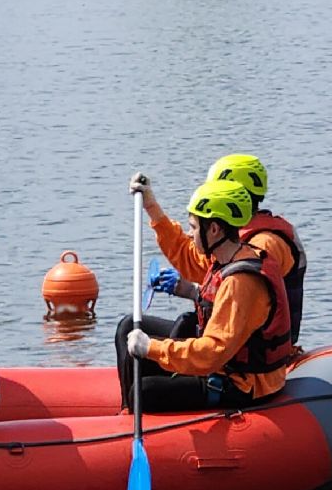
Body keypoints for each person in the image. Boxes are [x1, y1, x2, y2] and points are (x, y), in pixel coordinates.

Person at [116, 179, 300, 414]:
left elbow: (212, 353)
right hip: (225, 364)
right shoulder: (224, 257)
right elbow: (184, 253)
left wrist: (151, 348)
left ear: (214, 229)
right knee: (127, 331)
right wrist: (151, 205)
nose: (191, 234)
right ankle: (127, 414)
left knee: (144, 391)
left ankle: (133, 424)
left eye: (193, 227)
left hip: (244, 383)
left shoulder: (240, 283)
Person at [139, 153, 306, 345]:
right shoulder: (229, 240)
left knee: (182, 326)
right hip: (228, 332)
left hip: (253, 346)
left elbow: (242, 299)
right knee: (133, 326)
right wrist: (151, 207)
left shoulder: (265, 245)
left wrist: (193, 291)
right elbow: (194, 262)